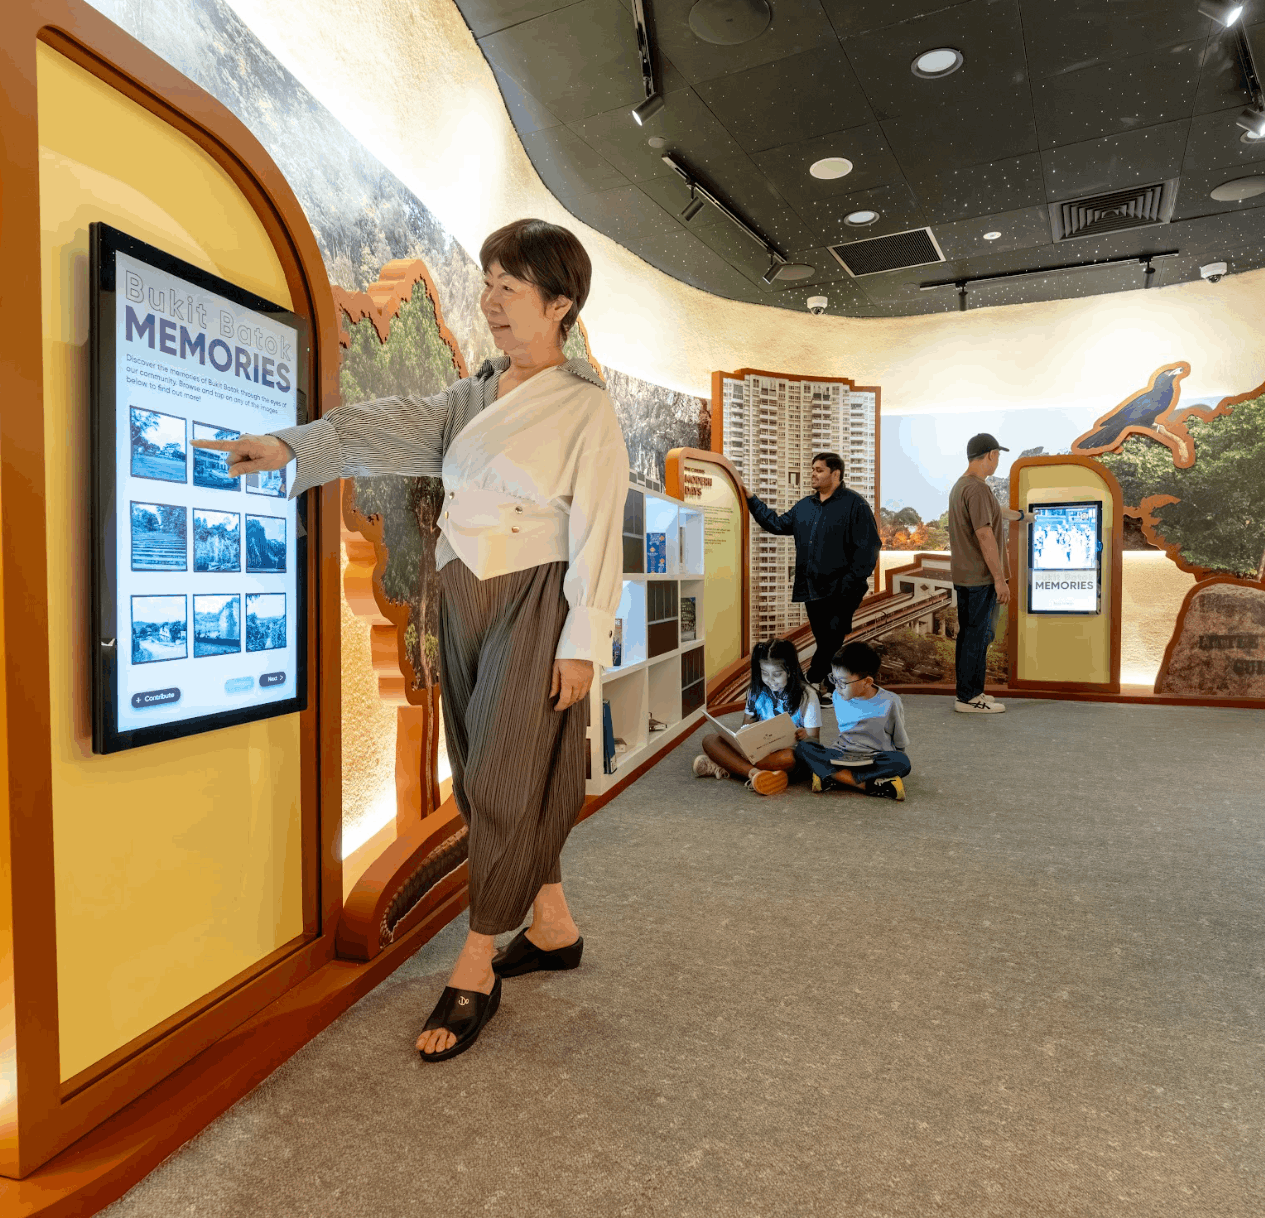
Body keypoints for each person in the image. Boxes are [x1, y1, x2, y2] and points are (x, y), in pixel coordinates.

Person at [194, 219, 627, 1063]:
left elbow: (602, 532)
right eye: (488, 282)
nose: (491, 300)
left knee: (505, 776)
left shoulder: (586, 406)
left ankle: (477, 964)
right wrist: (290, 445)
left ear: (560, 303)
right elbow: (379, 424)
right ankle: (553, 923)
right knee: (479, 770)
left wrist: (582, 643)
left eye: (510, 286)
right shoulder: (472, 396)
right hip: (457, 590)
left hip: (538, 598)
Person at [743, 453, 879, 706]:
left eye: (819, 470)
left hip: (843, 589)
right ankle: (824, 688)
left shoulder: (855, 505)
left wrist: (849, 583)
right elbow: (776, 524)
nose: (813, 474)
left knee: (832, 638)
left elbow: (869, 548)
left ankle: (810, 681)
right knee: (826, 641)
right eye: (812, 469)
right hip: (812, 589)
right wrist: (752, 500)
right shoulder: (805, 506)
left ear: (835, 473)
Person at [692, 638, 821, 795]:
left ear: (790, 670)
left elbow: (815, 742)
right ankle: (756, 774)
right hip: (758, 752)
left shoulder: (808, 696)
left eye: (777, 674)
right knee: (710, 740)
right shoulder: (756, 691)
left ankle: (731, 767)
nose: (770, 680)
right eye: (764, 673)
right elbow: (745, 727)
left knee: (789, 758)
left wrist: (805, 735)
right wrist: (741, 737)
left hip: (787, 753)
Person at [794, 642, 910, 800]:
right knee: (803, 748)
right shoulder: (837, 696)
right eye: (833, 679)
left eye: (842, 682)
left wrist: (895, 761)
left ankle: (832, 777)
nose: (837, 687)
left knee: (902, 762)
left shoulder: (890, 702)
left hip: (874, 757)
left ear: (867, 682)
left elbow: (899, 740)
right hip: (842, 755)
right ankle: (868, 785)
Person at [948, 433, 1011, 715]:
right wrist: (999, 579)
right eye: (997, 455)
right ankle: (970, 697)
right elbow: (985, 534)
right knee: (978, 636)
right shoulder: (978, 489)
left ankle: (968, 693)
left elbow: (993, 516)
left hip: (965, 577)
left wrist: (1022, 516)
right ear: (990, 455)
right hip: (981, 578)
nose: (997, 461)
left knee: (969, 637)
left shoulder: (962, 487)